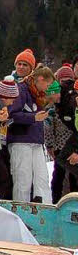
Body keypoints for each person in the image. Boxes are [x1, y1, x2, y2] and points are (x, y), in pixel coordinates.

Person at [7, 65, 53, 203]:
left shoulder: (38, 94)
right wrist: (33, 118)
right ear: (40, 79)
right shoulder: (21, 90)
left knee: (42, 177)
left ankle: (45, 207)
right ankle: (21, 212)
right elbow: (12, 115)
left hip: (36, 140)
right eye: (48, 84)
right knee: (23, 180)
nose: (48, 88)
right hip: (21, 140)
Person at [52, 65, 78, 201]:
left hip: (72, 144)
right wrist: (51, 145)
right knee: (59, 173)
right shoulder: (58, 105)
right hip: (61, 145)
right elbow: (50, 128)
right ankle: (57, 201)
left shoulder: (70, 101)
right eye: (62, 80)